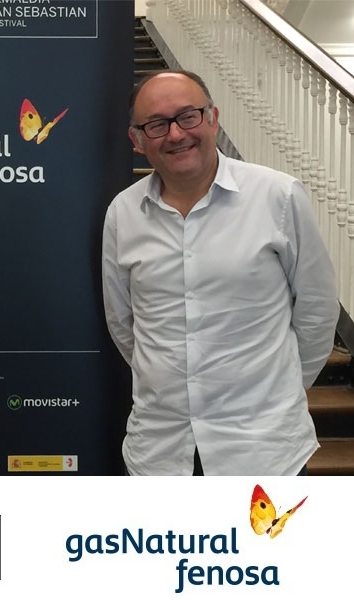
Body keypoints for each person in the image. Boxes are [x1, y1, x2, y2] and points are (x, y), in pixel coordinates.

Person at [102, 70, 339, 476]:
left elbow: (317, 310)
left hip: (262, 451)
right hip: (160, 451)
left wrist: (278, 392)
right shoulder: (123, 213)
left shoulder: (278, 196)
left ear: (212, 118)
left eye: (188, 116)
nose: (176, 134)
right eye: (156, 124)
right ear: (137, 140)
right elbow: (124, 323)